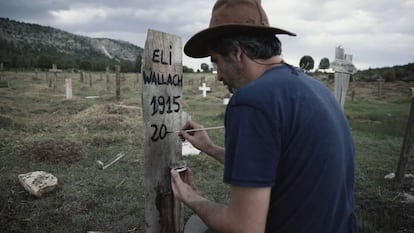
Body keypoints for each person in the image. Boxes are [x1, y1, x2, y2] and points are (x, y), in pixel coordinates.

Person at [170, 0, 358, 232]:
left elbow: (245, 228)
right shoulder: (315, 88)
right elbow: (279, 167)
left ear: (237, 53)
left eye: (217, 62)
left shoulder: (251, 101)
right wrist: (209, 148)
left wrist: (192, 198)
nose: (218, 76)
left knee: (195, 227)